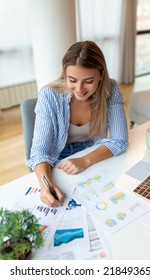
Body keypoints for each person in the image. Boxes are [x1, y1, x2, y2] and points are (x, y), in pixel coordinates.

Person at [27, 41, 128, 207]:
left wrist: (85, 160)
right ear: (65, 75)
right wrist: (45, 185)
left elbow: (120, 140)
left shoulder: (111, 89)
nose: (79, 89)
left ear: (101, 75)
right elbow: (40, 151)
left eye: (88, 81)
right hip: (57, 156)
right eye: (72, 80)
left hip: (93, 152)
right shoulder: (49, 96)